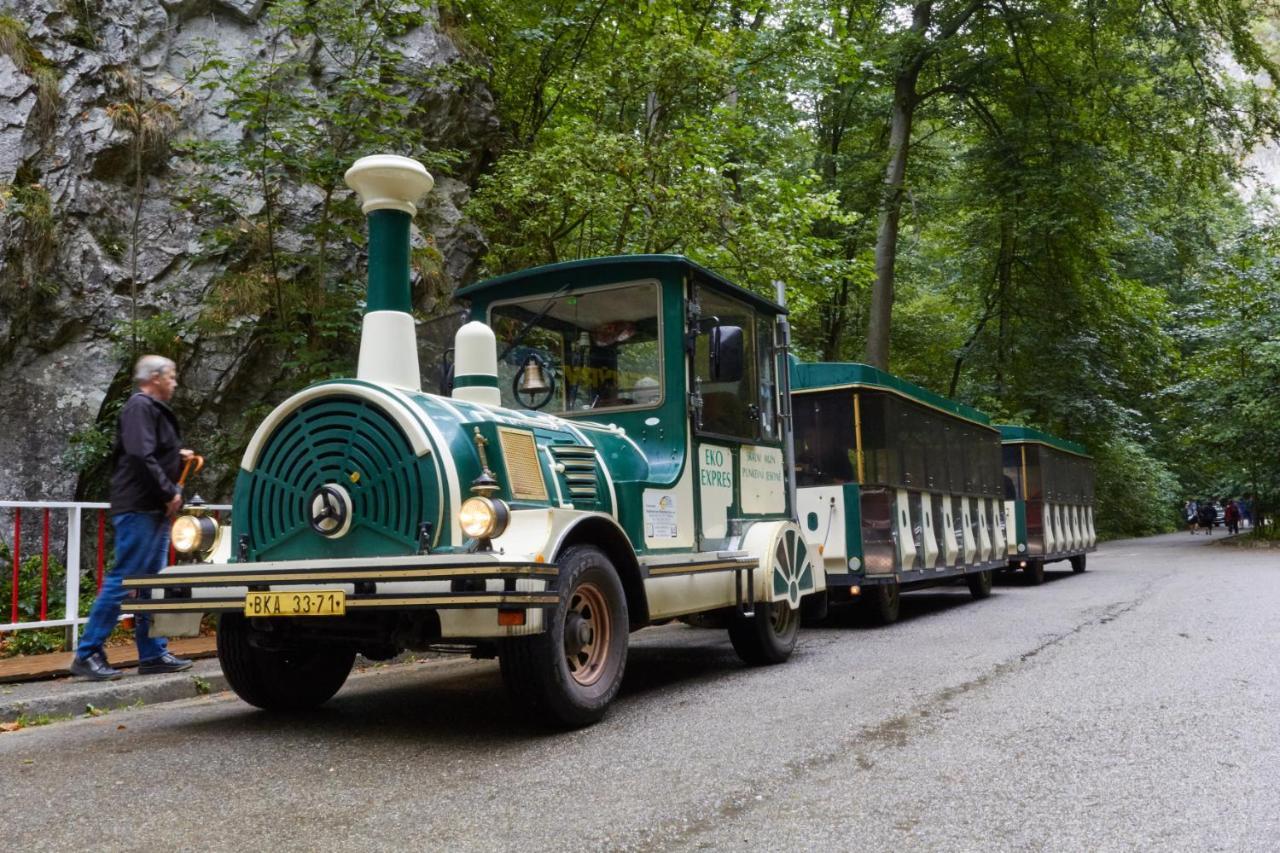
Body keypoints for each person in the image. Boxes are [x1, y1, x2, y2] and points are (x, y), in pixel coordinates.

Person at [70, 355, 195, 680]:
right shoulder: (140, 406)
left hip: (149, 508)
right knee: (126, 579)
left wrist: (175, 458)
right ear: (155, 377)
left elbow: (147, 450)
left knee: (148, 584)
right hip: (140, 507)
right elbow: (140, 455)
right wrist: (170, 492)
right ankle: (87, 653)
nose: (175, 382)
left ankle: (152, 653)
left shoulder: (147, 409)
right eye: (171, 376)